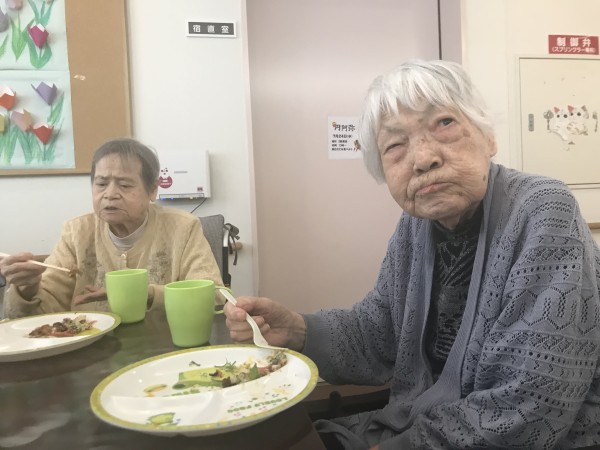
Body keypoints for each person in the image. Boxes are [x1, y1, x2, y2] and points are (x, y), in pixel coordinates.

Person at [224, 60, 600, 449]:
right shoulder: (416, 226)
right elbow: (380, 332)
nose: (422, 159)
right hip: (418, 424)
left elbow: (529, 403)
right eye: (395, 145)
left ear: (488, 138)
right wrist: (298, 330)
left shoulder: (543, 209)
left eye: (444, 123)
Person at [1, 138, 222, 318]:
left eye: (124, 185)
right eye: (101, 184)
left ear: (152, 190)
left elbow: (216, 296)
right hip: (90, 351)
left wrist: (146, 294)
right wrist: (27, 289)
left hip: (164, 346)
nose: (110, 194)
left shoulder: (183, 228)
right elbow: (42, 312)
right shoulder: (76, 232)